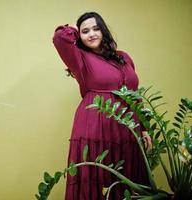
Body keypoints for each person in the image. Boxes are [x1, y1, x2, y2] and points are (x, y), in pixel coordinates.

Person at [52, 12, 152, 199]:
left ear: (104, 31)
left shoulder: (124, 57)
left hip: (127, 128)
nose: (91, 34)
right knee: (97, 178)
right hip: (95, 128)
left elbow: (135, 95)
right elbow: (59, 38)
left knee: (126, 179)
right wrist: (75, 26)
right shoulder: (79, 58)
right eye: (85, 31)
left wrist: (144, 128)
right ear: (79, 35)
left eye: (96, 28)